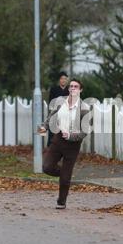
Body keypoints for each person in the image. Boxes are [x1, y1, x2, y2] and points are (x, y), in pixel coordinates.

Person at [38, 79, 91, 209]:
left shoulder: (84, 108)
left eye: (76, 86)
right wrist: (42, 129)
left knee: (65, 179)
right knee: (46, 167)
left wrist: (72, 136)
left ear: (80, 90)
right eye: (71, 86)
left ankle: (61, 201)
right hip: (58, 139)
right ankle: (65, 175)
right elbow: (51, 117)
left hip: (73, 145)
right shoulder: (60, 101)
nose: (73, 88)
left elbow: (85, 131)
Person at [47, 71, 70, 147]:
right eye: (62, 78)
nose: (63, 80)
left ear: (67, 80)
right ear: (59, 80)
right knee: (52, 134)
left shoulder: (69, 91)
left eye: (65, 79)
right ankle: (50, 149)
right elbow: (51, 102)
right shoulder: (54, 89)